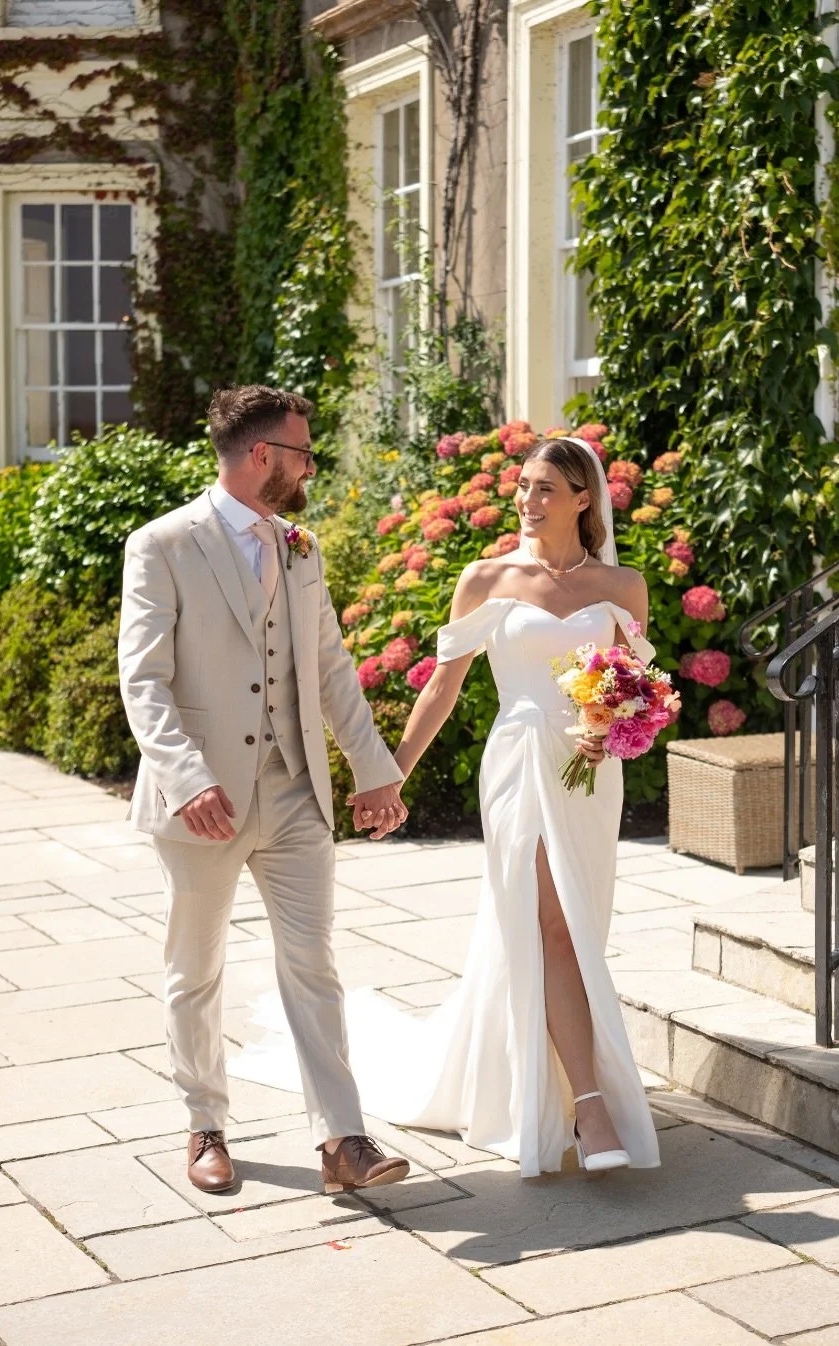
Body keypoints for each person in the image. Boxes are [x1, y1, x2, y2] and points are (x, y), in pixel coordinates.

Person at [232, 437, 660, 1178]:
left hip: (588, 775)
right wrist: (388, 775)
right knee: (552, 924)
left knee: (575, 926)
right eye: (522, 486)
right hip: (519, 761)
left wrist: (608, 735)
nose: (527, 499)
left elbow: (634, 688)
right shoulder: (487, 578)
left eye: (546, 488)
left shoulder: (623, 586)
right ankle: (589, 1109)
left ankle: (534, 1076)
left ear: (584, 499)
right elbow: (443, 685)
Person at [118, 384, 412, 1197]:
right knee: (195, 969)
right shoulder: (163, 544)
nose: (310, 465)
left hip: (293, 791)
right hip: (202, 801)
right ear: (262, 458)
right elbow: (143, 681)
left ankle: (342, 1140)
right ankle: (204, 1123)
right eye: (303, 453)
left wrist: (372, 765)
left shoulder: (300, 547)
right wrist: (186, 779)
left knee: (313, 962)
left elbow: (328, 667)